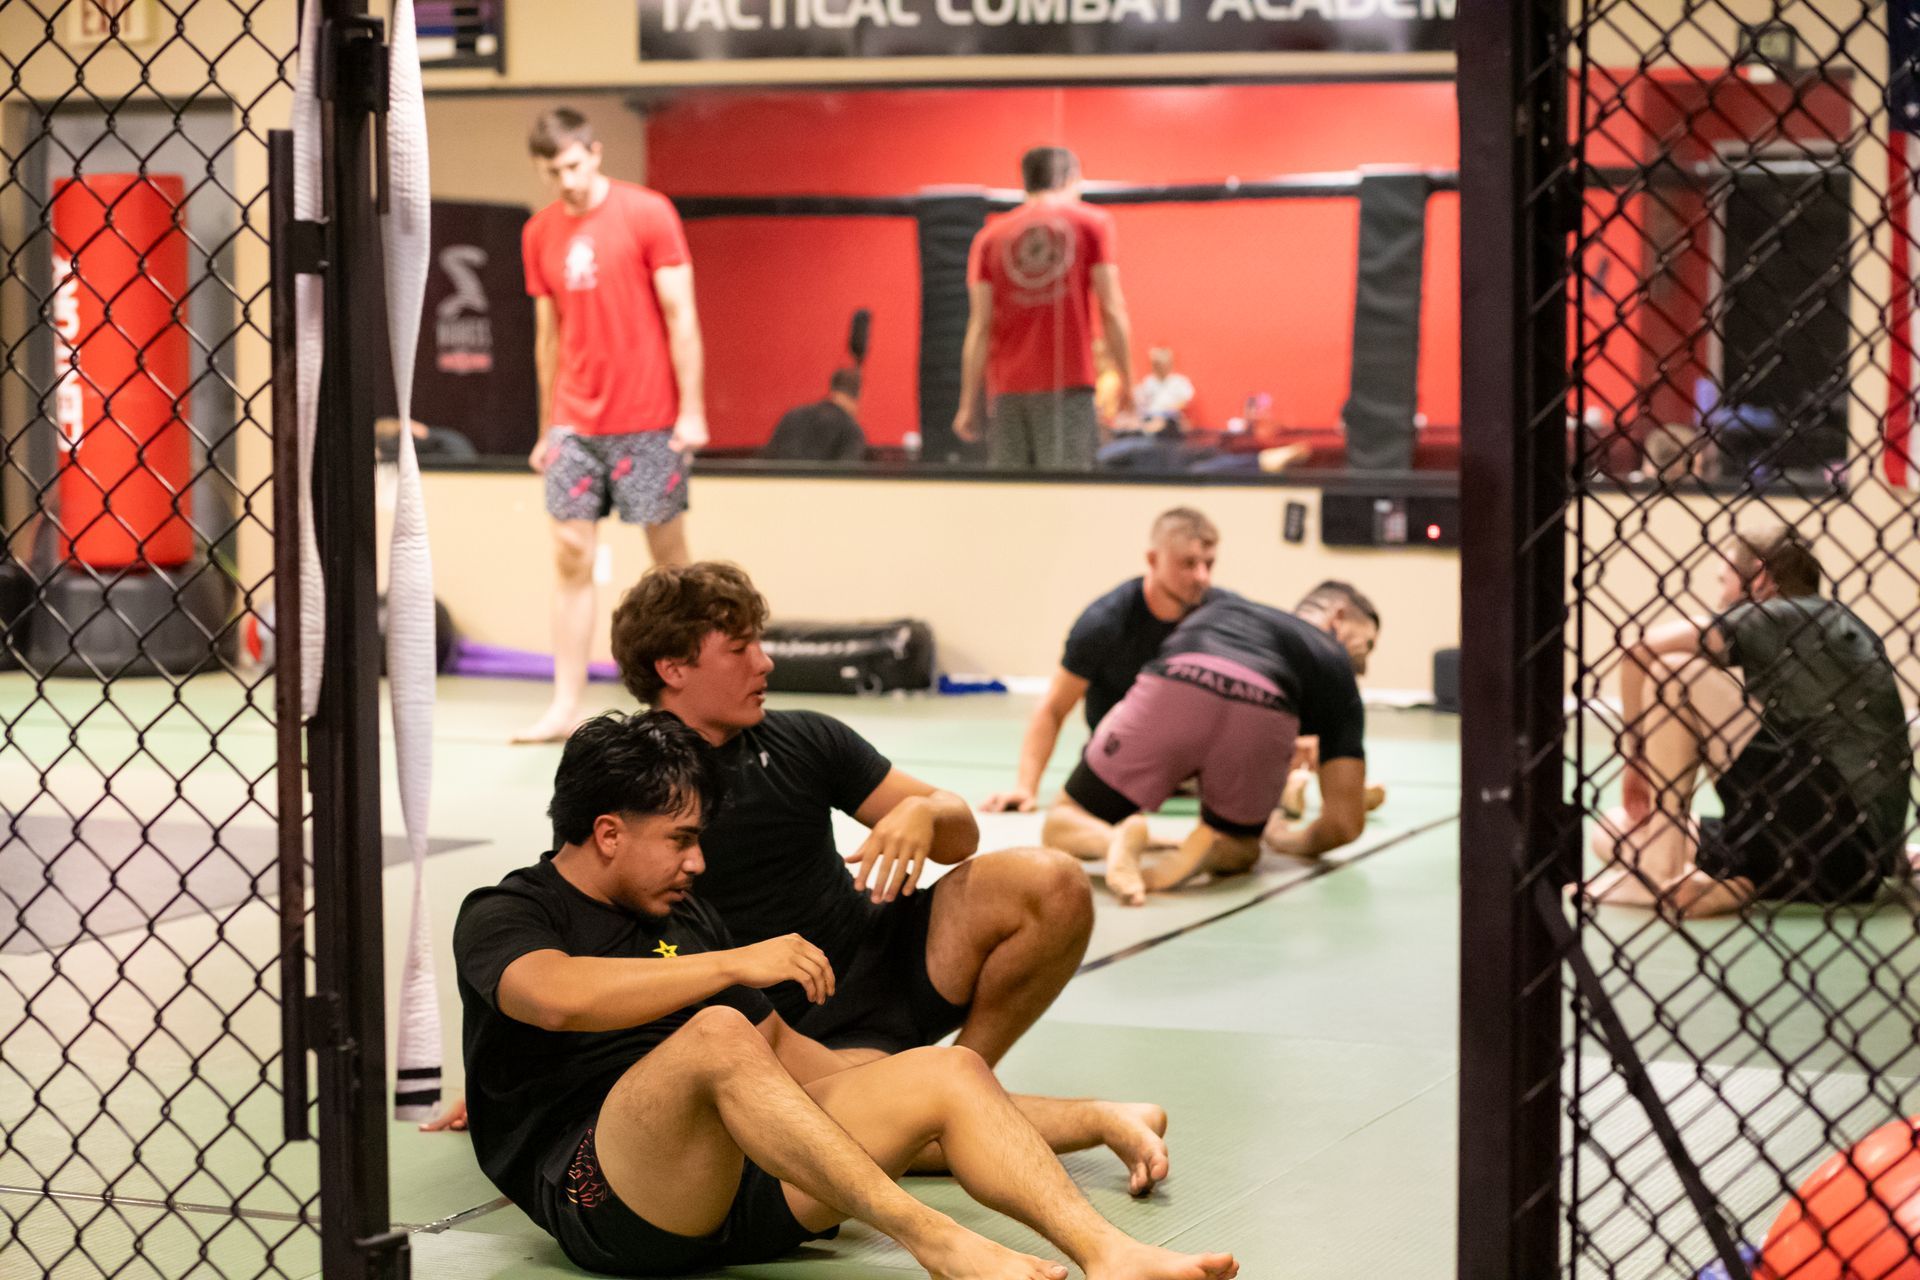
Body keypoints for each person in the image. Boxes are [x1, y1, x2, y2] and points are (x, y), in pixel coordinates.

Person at [454, 712, 1236, 1279]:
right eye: (682, 841)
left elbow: (818, 1080)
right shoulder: (511, 911)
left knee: (946, 1075)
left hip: (746, 1194)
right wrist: (730, 966)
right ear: (608, 832)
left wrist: (1092, 1121)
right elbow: (553, 996)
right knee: (721, 1034)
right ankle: (934, 1242)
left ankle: (1109, 1255)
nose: (697, 863)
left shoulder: (686, 916)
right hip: (611, 1204)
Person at [609, 562, 1116, 1077]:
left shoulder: (803, 738)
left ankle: (969, 1077)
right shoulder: (628, 777)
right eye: (739, 650)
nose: (764, 664)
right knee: (873, 1130)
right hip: (779, 1028)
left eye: (759, 644)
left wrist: (925, 810)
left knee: (1055, 883)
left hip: (882, 959)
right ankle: (940, 1103)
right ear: (672, 668)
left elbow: (962, 837)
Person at [1585, 526, 1911, 918]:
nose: (1720, 595)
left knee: (1673, 674)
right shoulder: (1833, 623)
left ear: (1758, 577)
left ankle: (1661, 871)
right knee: (1614, 830)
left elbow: (1638, 651)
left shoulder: (1782, 614)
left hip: (1826, 827)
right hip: (1847, 864)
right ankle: (1732, 886)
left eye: (1723, 579)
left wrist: (1634, 759)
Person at [514, 107, 708, 744]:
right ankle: (565, 704)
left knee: (670, 566)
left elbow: (681, 315)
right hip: (575, 419)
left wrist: (692, 409)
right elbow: (548, 337)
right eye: (553, 171)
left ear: (594, 153)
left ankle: (689, 697)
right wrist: (546, 425)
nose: (565, 180)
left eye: (573, 165)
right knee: (569, 556)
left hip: (648, 418)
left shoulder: (648, 212)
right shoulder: (539, 231)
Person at [1040, 586, 1378, 906]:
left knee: (1064, 818)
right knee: (1243, 847)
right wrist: (1284, 840)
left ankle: (1113, 841)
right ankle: (1215, 847)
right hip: (1265, 703)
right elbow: (1344, 825)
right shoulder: (1334, 662)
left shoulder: (1223, 608)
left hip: (1179, 680)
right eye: (1368, 643)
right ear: (1338, 616)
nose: (1366, 659)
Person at [982, 508, 1220, 815]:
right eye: (1188, 564)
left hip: (1192, 768)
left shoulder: (1218, 614)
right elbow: (1054, 708)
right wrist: (1025, 788)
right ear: (1152, 560)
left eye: (1208, 564)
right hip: (1123, 763)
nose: (1202, 576)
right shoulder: (1103, 624)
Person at [954, 146, 1134, 470]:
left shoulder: (989, 237)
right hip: (1068, 387)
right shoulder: (1092, 222)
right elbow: (1112, 308)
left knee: (1012, 501)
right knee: (1065, 496)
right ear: (1071, 178)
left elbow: (979, 326)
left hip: (1007, 392)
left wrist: (968, 403)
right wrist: (1128, 383)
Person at [761, 368, 868, 463]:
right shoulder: (851, 431)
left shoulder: (793, 416)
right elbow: (846, 475)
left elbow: (768, 460)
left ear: (832, 389)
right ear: (858, 395)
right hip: (822, 485)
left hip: (781, 484)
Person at [1134, 347, 1194, 429]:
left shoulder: (1179, 382)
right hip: (1150, 416)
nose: (1161, 368)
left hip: (1171, 417)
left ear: (1170, 364)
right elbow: (1141, 403)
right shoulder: (1148, 382)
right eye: (1158, 365)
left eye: (1164, 365)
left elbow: (1185, 401)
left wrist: (1169, 409)